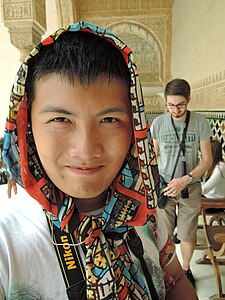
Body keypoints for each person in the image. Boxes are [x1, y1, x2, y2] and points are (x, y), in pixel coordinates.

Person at [0, 22, 198, 300]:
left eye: (109, 120)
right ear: (27, 128)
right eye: (60, 119)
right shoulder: (7, 242)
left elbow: (174, 278)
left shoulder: (141, 212)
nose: (85, 150)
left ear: (134, 127)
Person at [150, 78, 212, 288]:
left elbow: (207, 160)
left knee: (187, 232)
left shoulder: (200, 123)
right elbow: (154, 155)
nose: (175, 110)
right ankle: (169, 270)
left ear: (189, 100)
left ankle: (185, 269)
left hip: (190, 186)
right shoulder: (158, 123)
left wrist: (186, 180)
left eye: (180, 105)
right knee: (165, 234)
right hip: (165, 187)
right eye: (170, 105)